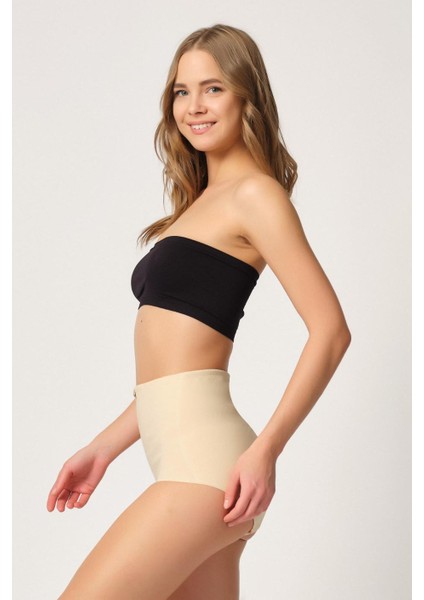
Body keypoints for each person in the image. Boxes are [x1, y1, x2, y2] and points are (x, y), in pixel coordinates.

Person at [47, 23, 351, 600]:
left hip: (210, 468)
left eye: (213, 88)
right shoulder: (197, 206)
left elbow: (331, 332)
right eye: (181, 92)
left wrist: (266, 450)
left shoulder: (256, 195)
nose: (194, 106)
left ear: (246, 97)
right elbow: (176, 376)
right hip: (191, 462)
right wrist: (102, 448)